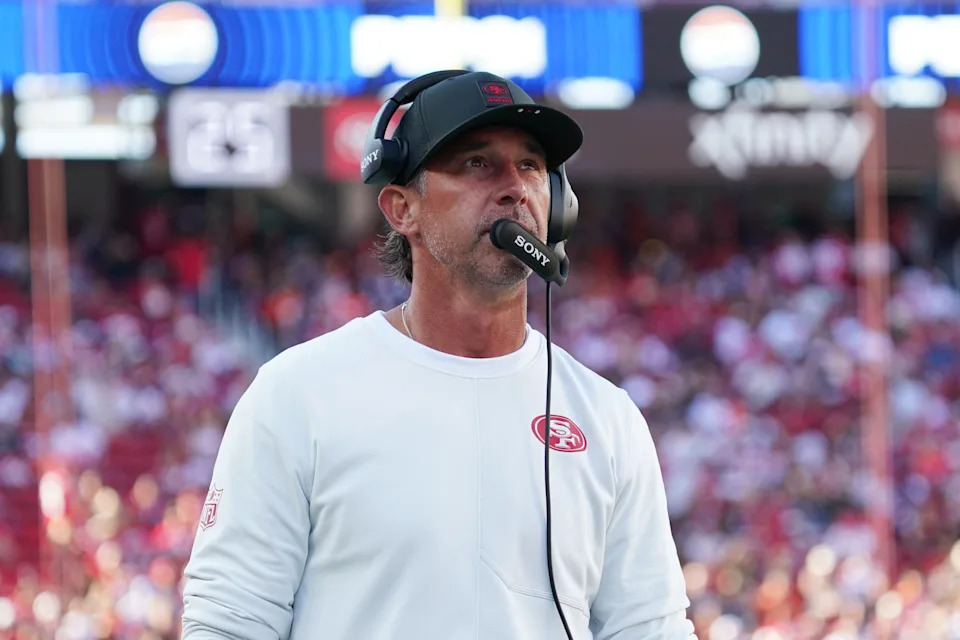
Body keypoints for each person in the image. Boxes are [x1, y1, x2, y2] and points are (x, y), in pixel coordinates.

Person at [180, 70, 696, 640]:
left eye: (530, 165)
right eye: (477, 163)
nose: (514, 187)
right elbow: (230, 622)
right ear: (402, 210)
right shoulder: (298, 393)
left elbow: (649, 629)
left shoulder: (608, 418)